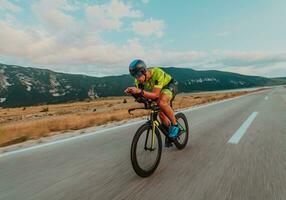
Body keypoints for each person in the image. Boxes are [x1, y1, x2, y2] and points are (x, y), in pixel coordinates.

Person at [124, 59, 179, 146]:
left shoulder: (157, 73)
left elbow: (156, 95)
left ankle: (175, 126)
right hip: (157, 90)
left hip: (169, 85)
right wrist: (134, 94)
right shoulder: (138, 81)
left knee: (161, 102)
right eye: (134, 76)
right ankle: (169, 134)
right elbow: (142, 96)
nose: (137, 78)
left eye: (138, 75)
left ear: (144, 71)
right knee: (161, 114)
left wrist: (139, 91)